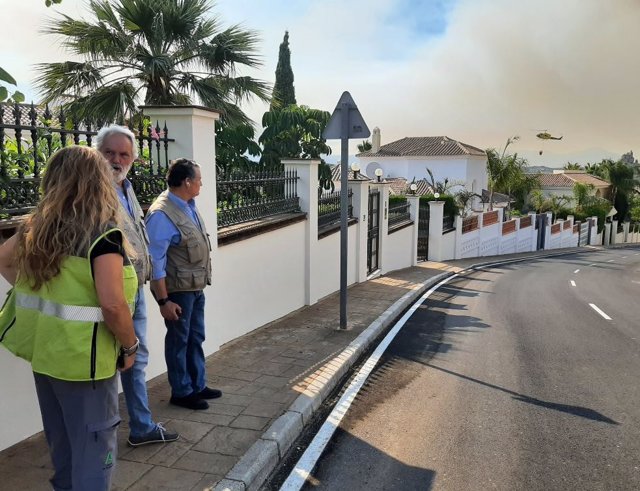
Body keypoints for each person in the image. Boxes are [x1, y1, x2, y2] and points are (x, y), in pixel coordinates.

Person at [0, 146, 139, 490]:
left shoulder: (37, 227)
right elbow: (113, 305)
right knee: (95, 450)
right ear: (98, 182)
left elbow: (3, 260)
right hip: (85, 364)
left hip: (47, 356)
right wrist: (130, 345)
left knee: (63, 447)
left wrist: (41, 290)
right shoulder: (103, 236)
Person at [95, 124, 179, 447]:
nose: (116, 159)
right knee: (115, 358)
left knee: (135, 357)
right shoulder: (93, 189)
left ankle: (140, 425)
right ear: (97, 153)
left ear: (132, 158)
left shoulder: (125, 186)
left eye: (123, 154)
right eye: (110, 152)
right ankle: (117, 430)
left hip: (135, 286)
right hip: (113, 288)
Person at [145, 158, 221, 410]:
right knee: (179, 340)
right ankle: (181, 391)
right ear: (187, 182)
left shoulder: (188, 204)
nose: (201, 184)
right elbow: (155, 261)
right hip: (178, 290)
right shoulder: (162, 214)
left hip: (194, 287)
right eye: (198, 179)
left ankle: (197, 385)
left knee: (195, 337)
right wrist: (164, 301)